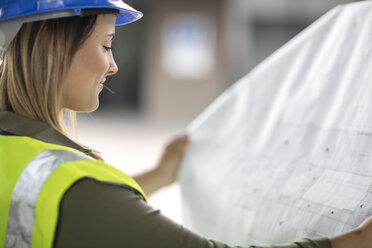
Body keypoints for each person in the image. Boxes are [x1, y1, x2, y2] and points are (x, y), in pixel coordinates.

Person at [0, 1, 371, 247]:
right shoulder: (78, 186)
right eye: (107, 45)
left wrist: (159, 175)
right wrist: (355, 240)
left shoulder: (21, 156)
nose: (113, 66)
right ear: (51, 43)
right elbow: (88, 204)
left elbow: (86, 216)